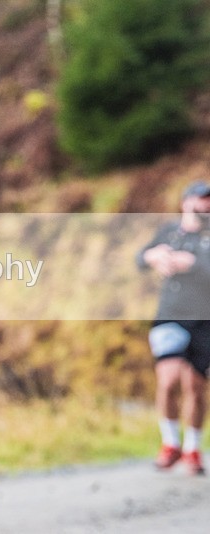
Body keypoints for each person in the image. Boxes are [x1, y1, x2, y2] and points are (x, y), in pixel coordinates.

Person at [137, 180, 210, 475]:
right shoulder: (168, 232)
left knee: (195, 386)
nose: (205, 206)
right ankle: (170, 443)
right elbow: (140, 258)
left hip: (203, 321)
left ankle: (192, 448)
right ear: (185, 203)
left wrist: (191, 263)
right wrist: (153, 256)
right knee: (167, 381)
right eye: (201, 200)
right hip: (170, 316)